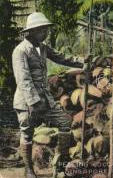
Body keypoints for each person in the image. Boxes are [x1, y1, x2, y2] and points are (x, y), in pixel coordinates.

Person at [12, 12, 86, 178]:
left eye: (46, 29)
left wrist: (83, 61)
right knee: (27, 133)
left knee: (65, 122)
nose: (45, 33)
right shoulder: (20, 51)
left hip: (45, 99)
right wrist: (33, 103)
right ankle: (29, 169)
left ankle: (61, 162)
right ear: (31, 31)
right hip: (27, 101)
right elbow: (23, 79)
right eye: (41, 30)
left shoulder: (43, 48)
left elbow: (62, 58)